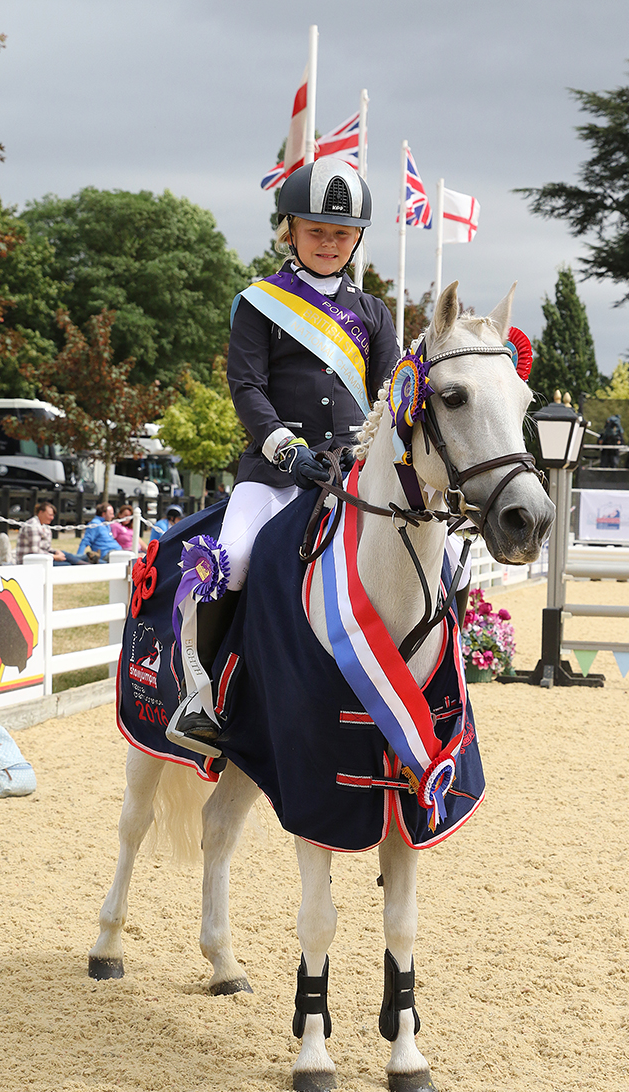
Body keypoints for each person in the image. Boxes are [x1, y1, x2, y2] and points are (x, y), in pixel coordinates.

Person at [169, 156, 401, 752]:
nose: (329, 242)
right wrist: (284, 447)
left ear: (357, 240)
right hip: (275, 471)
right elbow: (247, 387)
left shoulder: (373, 313)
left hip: (349, 474)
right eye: (317, 230)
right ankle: (202, 697)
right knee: (235, 556)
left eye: (341, 233)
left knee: (426, 556)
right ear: (290, 231)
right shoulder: (259, 303)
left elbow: (389, 398)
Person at [16, 502, 87, 565]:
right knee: (66, 565)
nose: (52, 518)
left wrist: (56, 552)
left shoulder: (45, 526)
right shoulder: (32, 525)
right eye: (50, 515)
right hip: (31, 561)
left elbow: (47, 548)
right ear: (41, 512)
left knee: (66, 555)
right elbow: (35, 551)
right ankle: (87, 564)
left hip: (44, 558)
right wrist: (54, 557)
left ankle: (87, 564)